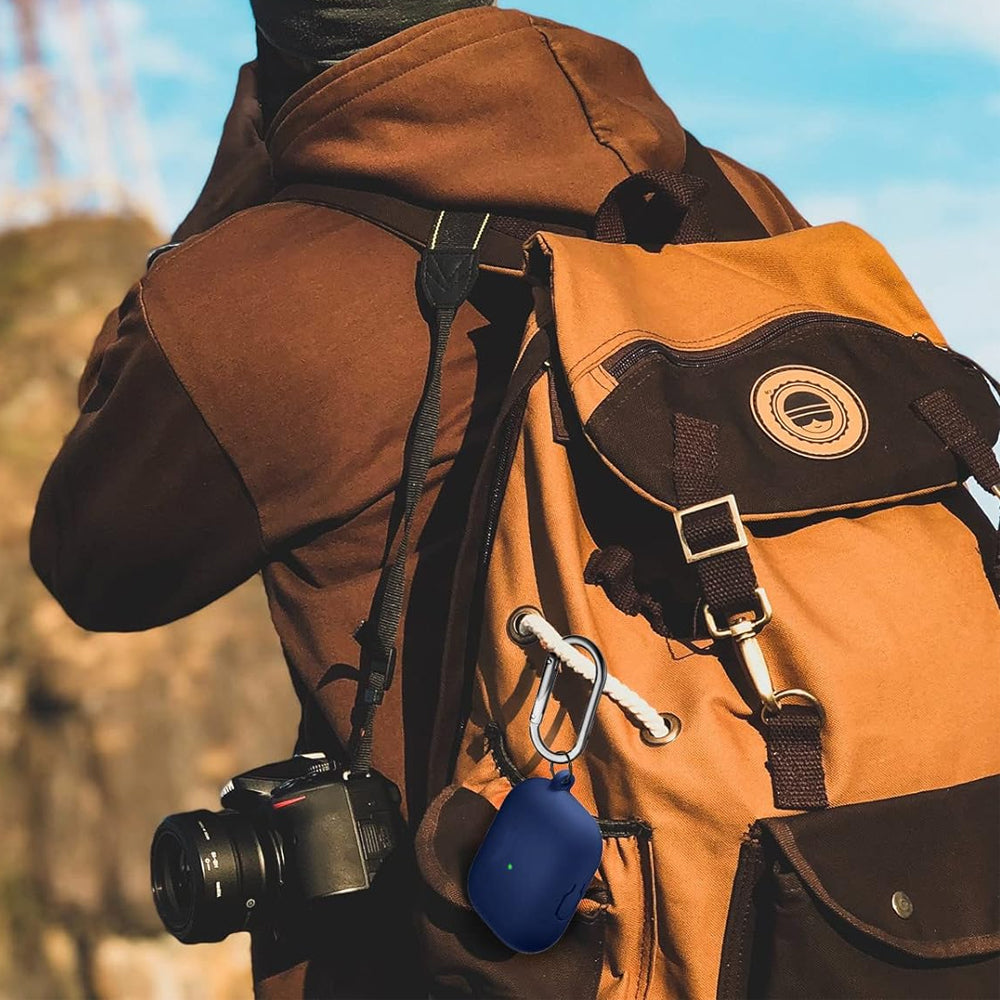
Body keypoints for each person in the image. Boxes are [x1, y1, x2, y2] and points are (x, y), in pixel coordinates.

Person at [30, 2, 808, 996]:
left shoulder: (265, 293)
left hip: (508, 954)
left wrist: (223, 205)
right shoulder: (740, 200)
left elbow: (91, 558)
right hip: (843, 896)